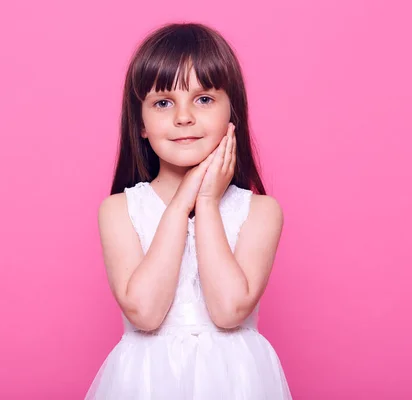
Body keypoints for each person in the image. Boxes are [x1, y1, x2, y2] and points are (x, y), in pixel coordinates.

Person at [85, 22, 292, 399]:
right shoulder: (119, 210)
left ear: (234, 112)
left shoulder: (261, 211)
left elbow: (229, 310)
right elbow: (145, 313)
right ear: (141, 124)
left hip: (236, 383)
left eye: (203, 99)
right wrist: (183, 202)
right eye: (163, 103)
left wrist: (208, 202)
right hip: (146, 385)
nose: (183, 117)